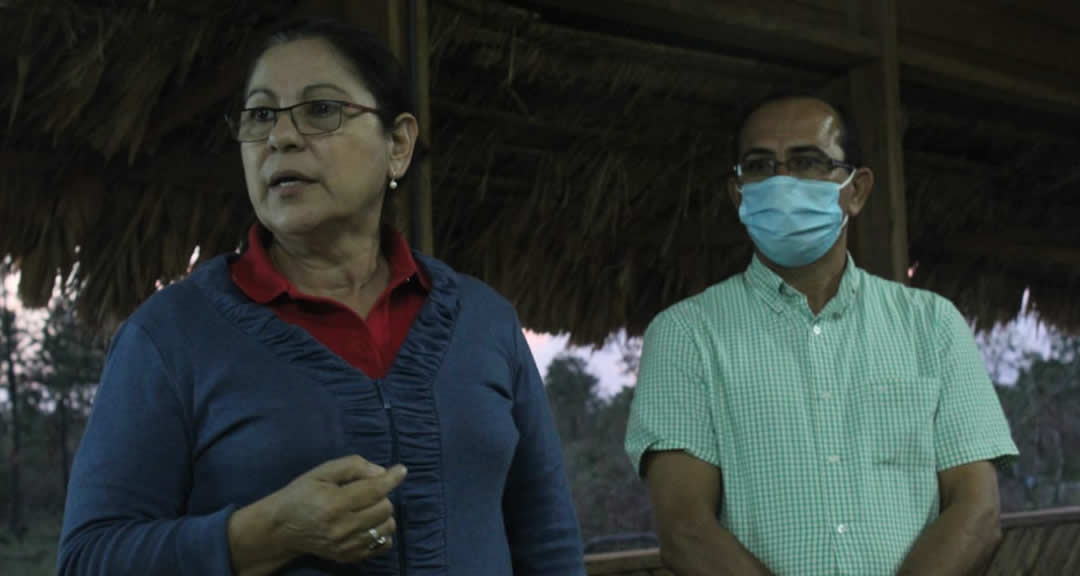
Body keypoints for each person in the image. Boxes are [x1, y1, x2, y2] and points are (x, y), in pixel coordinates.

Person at [58, 18, 585, 576]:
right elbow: (89, 558)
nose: (280, 138)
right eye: (260, 116)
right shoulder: (169, 337)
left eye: (321, 110)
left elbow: (548, 545)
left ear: (398, 145)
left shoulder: (485, 322)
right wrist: (263, 534)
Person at [625, 94, 1018, 576]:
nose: (783, 181)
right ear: (738, 192)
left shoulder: (933, 324)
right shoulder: (685, 334)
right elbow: (686, 529)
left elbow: (977, 512)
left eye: (809, 162)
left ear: (857, 189)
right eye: (760, 165)